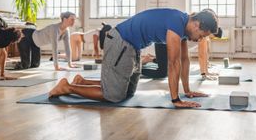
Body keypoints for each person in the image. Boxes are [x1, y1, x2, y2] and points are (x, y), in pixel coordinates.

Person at [49, 8, 219, 108]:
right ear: (197, 25)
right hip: (120, 42)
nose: (200, 39)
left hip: (132, 47)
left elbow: (184, 60)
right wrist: (176, 100)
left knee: (128, 92)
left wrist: (187, 91)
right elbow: (173, 63)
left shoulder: (182, 25)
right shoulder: (176, 22)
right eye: (202, 35)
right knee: (114, 97)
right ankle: (68, 87)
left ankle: (83, 81)